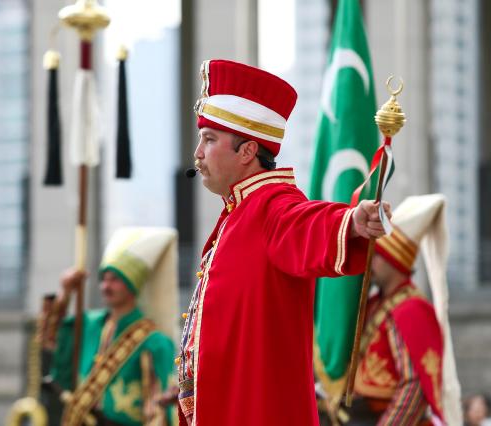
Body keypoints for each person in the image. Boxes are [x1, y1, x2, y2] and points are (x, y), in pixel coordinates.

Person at [177, 59, 391, 426]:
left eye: (209, 139)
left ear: (246, 152)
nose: (198, 153)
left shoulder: (273, 206)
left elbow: (309, 223)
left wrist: (350, 221)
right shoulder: (235, 214)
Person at [350, 194, 462, 425]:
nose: (370, 261)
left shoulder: (412, 309)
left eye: (377, 255)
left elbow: (415, 384)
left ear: (396, 260)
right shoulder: (374, 303)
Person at [48, 227, 179, 426]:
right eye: (104, 279)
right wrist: (65, 293)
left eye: (115, 280)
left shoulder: (154, 340)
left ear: (132, 284)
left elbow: (159, 408)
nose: (106, 286)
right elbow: (49, 341)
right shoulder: (89, 325)